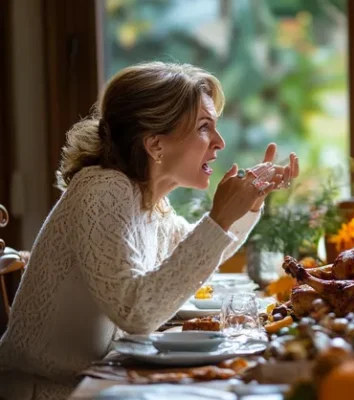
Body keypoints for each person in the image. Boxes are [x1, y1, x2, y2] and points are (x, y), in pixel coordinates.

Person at [0, 62, 300, 399]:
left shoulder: (147, 200)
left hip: (94, 383)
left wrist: (249, 203)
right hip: (46, 392)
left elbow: (194, 252)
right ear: (155, 145)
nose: (219, 141)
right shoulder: (103, 189)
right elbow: (137, 312)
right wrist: (219, 218)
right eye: (205, 127)